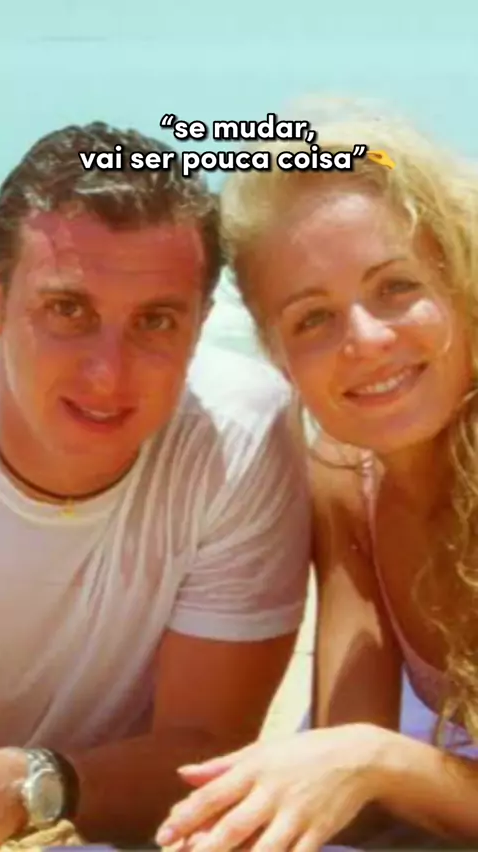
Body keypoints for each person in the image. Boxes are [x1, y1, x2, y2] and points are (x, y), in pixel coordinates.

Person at [155, 103, 478, 851]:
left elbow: (365, 759)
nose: (366, 339)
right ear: (278, 357)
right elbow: (346, 768)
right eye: (312, 318)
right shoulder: (345, 476)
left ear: (460, 281)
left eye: (396, 287)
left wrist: (380, 763)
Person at [0, 121, 311, 846]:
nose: (107, 373)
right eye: (68, 309)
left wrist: (30, 784)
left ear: (201, 325)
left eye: (156, 321)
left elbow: (204, 755)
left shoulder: (238, 434)